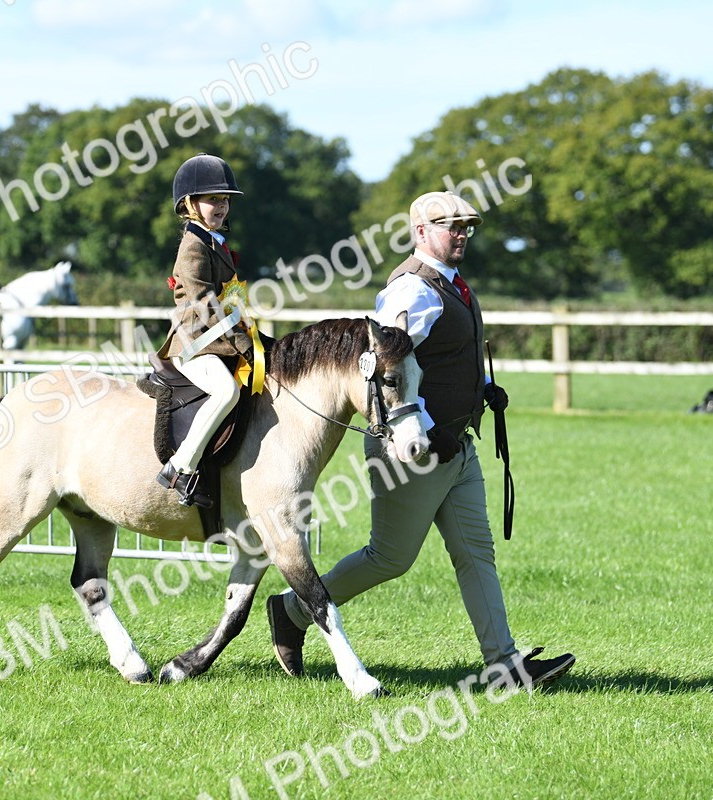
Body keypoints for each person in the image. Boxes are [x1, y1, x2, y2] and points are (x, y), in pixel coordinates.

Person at [264, 191, 576, 691]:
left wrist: (481, 388)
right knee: (390, 558)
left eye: (466, 226)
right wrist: (429, 430)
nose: (461, 234)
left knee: (477, 554)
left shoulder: (450, 285)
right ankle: (293, 611)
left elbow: (440, 359)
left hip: (457, 446)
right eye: (450, 225)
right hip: (412, 450)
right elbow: (386, 373)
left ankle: (504, 667)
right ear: (420, 232)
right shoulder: (412, 290)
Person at [155, 154, 253, 509]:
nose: (222, 206)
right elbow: (205, 304)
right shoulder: (193, 246)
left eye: (225, 200)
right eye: (213, 199)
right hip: (195, 342)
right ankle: (180, 468)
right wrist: (243, 343)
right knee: (227, 391)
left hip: (218, 340)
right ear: (189, 204)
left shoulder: (215, 241)